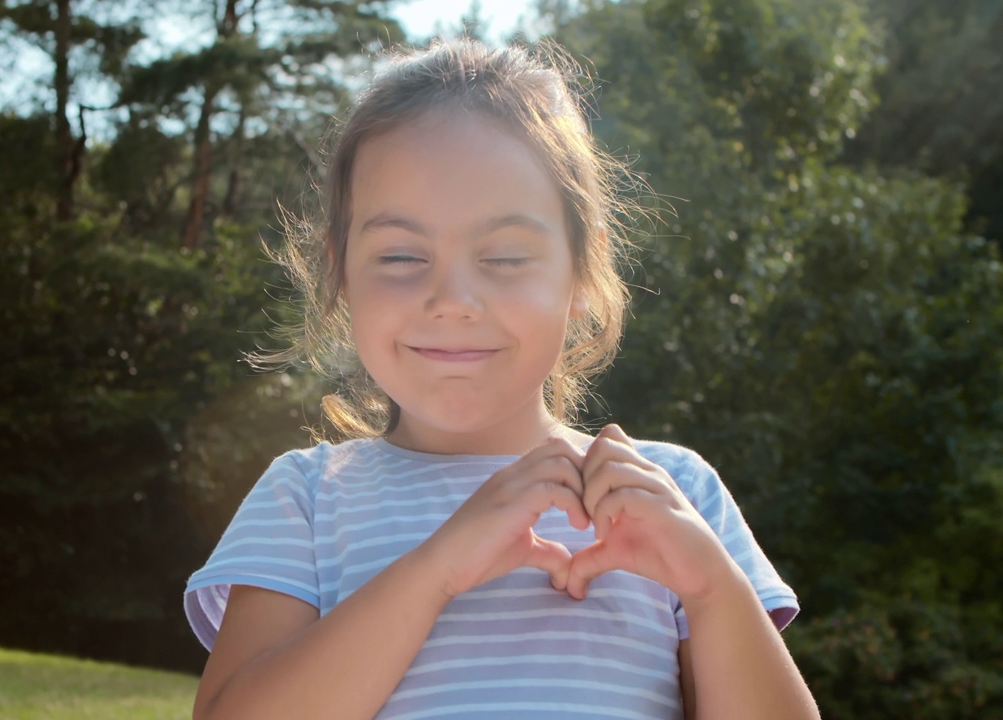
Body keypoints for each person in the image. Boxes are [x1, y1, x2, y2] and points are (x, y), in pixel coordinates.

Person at [183, 38, 820, 720]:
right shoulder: (306, 501)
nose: (452, 298)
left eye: (507, 256)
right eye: (400, 254)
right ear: (341, 271)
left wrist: (714, 590)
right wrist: (437, 570)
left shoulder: (673, 494)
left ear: (582, 267)